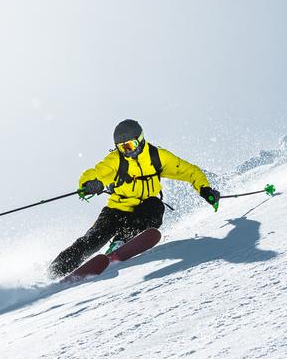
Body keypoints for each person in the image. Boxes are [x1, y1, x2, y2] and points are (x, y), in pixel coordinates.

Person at [49, 119, 220, 278]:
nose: (128, 151)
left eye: (131, 145)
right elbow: (95, 172)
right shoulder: (116, 160)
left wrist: (204, 189)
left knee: (155, 206)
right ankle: (55, 270)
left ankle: (121, 242)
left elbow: (189, 171)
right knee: (92, 240)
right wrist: (90, 184)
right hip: (116, 210)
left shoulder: (157, 156)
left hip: (144, 208)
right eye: (122, 148)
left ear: (141, 140)